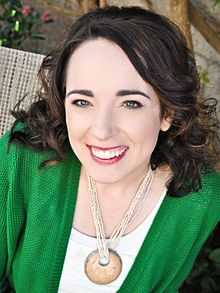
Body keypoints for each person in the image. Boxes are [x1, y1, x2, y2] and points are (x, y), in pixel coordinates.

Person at [0, 5, 220, 293]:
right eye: (82, 102)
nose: (102, 131)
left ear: (168, 112)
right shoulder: (24, 157)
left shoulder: (200, 199)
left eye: (130, 103)